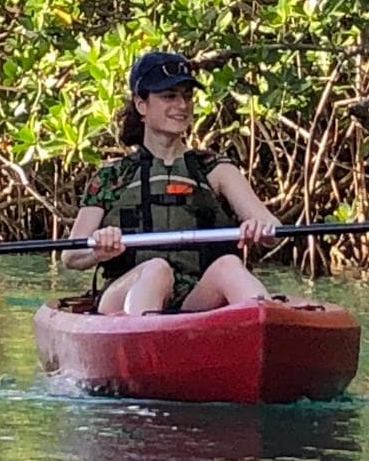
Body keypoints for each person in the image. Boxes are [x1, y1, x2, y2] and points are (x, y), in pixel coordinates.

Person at [62, 51, 280, 315]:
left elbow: (274, 231)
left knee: (229, 265)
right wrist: (99, 250)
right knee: (157, 270)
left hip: (193, 300)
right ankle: (144, 340)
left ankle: (268, 326)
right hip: (123, 298)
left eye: (187, 96)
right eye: (169, 96)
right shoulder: (112, 176)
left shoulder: (215, 169)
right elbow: (70, 257)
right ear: (142, 105)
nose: (182, 105)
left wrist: (259, 228)